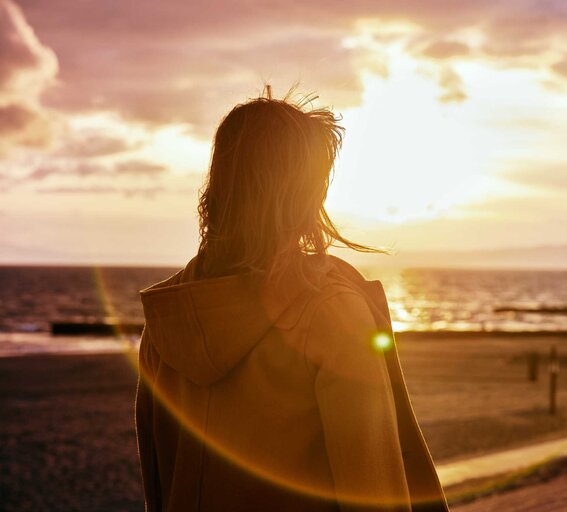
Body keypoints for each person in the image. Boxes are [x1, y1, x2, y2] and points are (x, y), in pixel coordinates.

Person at [135, 87, 448, 512]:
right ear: (306, 193)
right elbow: (373, 490)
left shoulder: (170, 316)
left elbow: (158, 482)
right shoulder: (329, 310)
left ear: (220, 187)